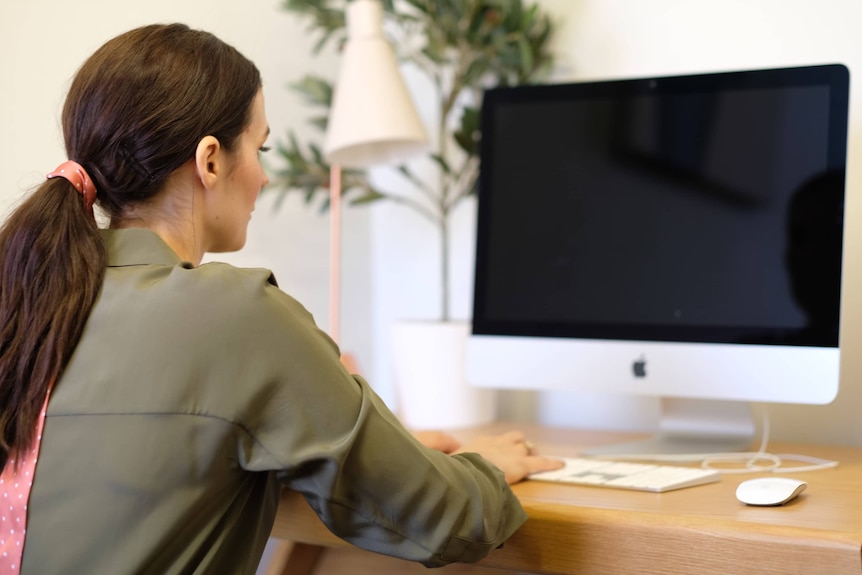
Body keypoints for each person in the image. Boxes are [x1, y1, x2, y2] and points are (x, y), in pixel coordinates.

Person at [0, 23, 562, 574]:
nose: (265, 178)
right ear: (211, 160)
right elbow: (439, 517)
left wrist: (377, 445)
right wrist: (484, 469)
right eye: (260, 149)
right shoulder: (233, 315)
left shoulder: (35, 299)